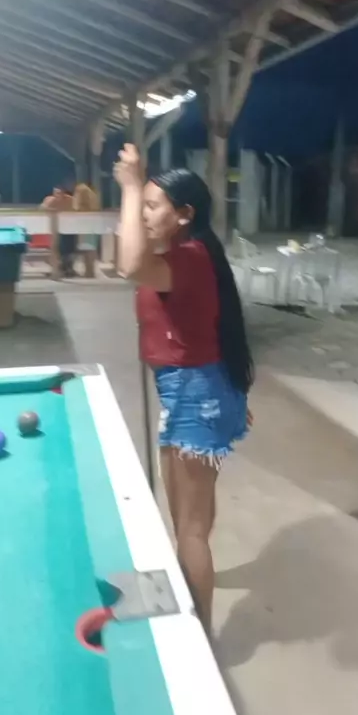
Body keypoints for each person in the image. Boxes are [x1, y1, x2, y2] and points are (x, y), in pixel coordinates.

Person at [114, 143, 253, 633]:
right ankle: (194, 606)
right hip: (199, 391)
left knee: (189, 531)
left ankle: (201, 639)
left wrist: (131, 187)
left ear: (185, 214)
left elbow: (129, 266)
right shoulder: (188, 255)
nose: (144, 214)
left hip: (195, 395)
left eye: (154, 206)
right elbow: (215, 329)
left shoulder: (189, 259)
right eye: (144, 205)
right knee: (194, 519)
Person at [41, 177, 76, 277]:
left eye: (60, 193)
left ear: (64, 192)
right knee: (55, 248)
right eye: (56, 193)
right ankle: (57, 268)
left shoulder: (70, 200)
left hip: (68, 229)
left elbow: (75, 211)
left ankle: (68, 268)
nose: (58, 195)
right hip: (54, 229)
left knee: (68, 249)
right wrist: (50, 206)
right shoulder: (49, 200)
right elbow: (42, 209)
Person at [73, 183, 101, 278]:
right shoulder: (94, 203)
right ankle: (90, 271)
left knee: (86, 250)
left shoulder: (80, 206)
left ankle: (88, 271)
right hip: (91, 227)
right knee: (91, 249)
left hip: (84, 227)